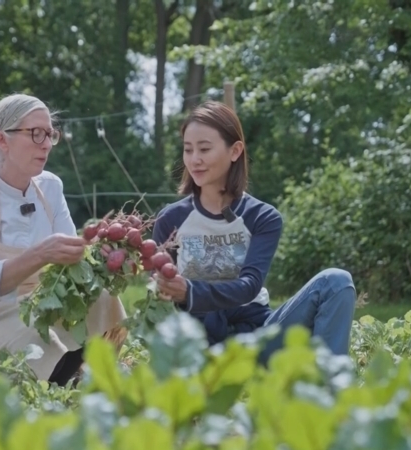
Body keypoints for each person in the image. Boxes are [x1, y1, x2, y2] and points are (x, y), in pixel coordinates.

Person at [0, 93, 127, 386]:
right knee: (36, 343)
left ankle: (89, 372)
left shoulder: (51, 187)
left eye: (50, 135)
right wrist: (41, 254)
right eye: (35, 134)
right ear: (2, 140)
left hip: (31, 305)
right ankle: (67, 377)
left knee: (103, 296)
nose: (45, 144)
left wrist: (99, 248)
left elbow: (70, 264)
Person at [151, 100, 356, 365]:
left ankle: (332, 391)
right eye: (188, 150)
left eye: (204, 149)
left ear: (235, 151)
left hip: (258, 337)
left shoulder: (262, 217)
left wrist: (189, 292)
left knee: (336, 281)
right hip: (198, 345)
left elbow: (249, 287)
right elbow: (156, 288)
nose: (194, 159)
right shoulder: (171, 219)